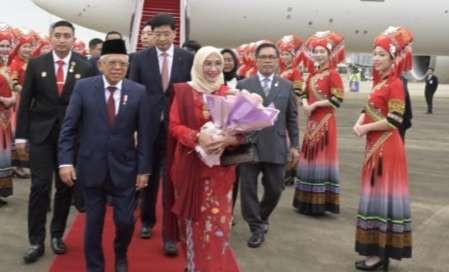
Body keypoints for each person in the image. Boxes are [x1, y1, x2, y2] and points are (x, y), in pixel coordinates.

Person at [58, 38, 153, 272]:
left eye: (122, 63)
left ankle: (120, 253)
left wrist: (143, 169)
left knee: (125, 221)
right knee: (93, 223)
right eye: (112, 63)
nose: (117, 68)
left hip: (125, 168)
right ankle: (95, 267)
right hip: (91, 166)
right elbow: (69, 128)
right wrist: (65, 162)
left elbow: (145, 134)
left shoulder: (138, 91)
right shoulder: (84, 88)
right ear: (100, 65)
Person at [16, 20, 93, 264]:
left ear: (73, 38)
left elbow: (89, 108)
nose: (62, 39)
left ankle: (57, 235)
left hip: (70, 138)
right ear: (50, 38)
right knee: (39, 187)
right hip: (40, 135)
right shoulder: (37, 64)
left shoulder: (85, 66)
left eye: (66, 35)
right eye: (57, 35)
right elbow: (26, 101)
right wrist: (21, 136)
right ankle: (36, 240)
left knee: (65, 187)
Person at [169, 46, 241, 272]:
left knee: (219, 223)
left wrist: (230, 140)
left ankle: (214, 267)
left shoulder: (229, 93)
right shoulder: (183, 91)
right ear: (198, 65)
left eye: (217, 64)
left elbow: (243, 131)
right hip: (190, 167)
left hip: (221, 171)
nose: (212, 69)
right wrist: (198, 137)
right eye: (207, 64)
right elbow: (173, 126)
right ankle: (193, 266)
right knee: (193, 223)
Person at [129, 13, 194, 255]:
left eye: (167, 33)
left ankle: (170, 235)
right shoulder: (139, 59)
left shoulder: (187, 58)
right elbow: (134, 92)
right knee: (148, 176)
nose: (162, 38)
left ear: (174, 34)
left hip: (176, 129)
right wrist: (133, 127)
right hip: (147, 127)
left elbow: (191, 91)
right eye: (157, 34)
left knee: (171, 181)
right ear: (151, 35)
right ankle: (147, 221)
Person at [352, 26, 413, 271]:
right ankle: (377, 250)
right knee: (375, 197)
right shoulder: (381, 83)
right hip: (375, 147)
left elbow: (395, 119)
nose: (375, 58)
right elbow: (369, 110)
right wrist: (359, 122)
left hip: (387, 148)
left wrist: (365, 129)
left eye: (381, 54)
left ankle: (380, 254)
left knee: (381, 198)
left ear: (392, 59)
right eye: (374, 54)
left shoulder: (396, 83)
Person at [237, 43, 299, 248]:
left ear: (277, 60)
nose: (268, 60)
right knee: (248, 189)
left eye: (272, 57)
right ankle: (256, 227)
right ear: (256, 60)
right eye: (263, 57)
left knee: (275, 188)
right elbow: (236, 117)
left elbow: (292, 118)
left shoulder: (286, 86)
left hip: (276, 144)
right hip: (249, 146)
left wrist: (295, 145)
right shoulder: (244, 84)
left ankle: (261, 216)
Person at [292, 31, 345, 216]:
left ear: (329, 54)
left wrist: (316, 104)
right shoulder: (312, 75)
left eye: (323, 51)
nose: (319, 54)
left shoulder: (333, 74)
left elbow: (337, 99)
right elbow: (304, 93)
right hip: (312, 120)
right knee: (310, 157)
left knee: (321, 158)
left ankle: (320, 203)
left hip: (325, 121)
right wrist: (306, 104)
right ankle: (306, 201)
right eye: (316, 51)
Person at [8, 33, 35, 179]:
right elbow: (13, 83)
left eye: (29, 46)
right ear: (19, 48)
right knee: (19, 130)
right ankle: (17, 165)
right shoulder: (16, 63)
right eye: (25, 46)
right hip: (20, 100)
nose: (27, 49)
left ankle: (25, 164)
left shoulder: (33, 61)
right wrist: (26, 92)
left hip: (31, 99)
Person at [0, 29, 16, 206]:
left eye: (6, 46)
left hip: (4, 117)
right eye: (1, 46)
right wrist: (6, 99)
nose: (4, 49)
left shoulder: (8, 65)